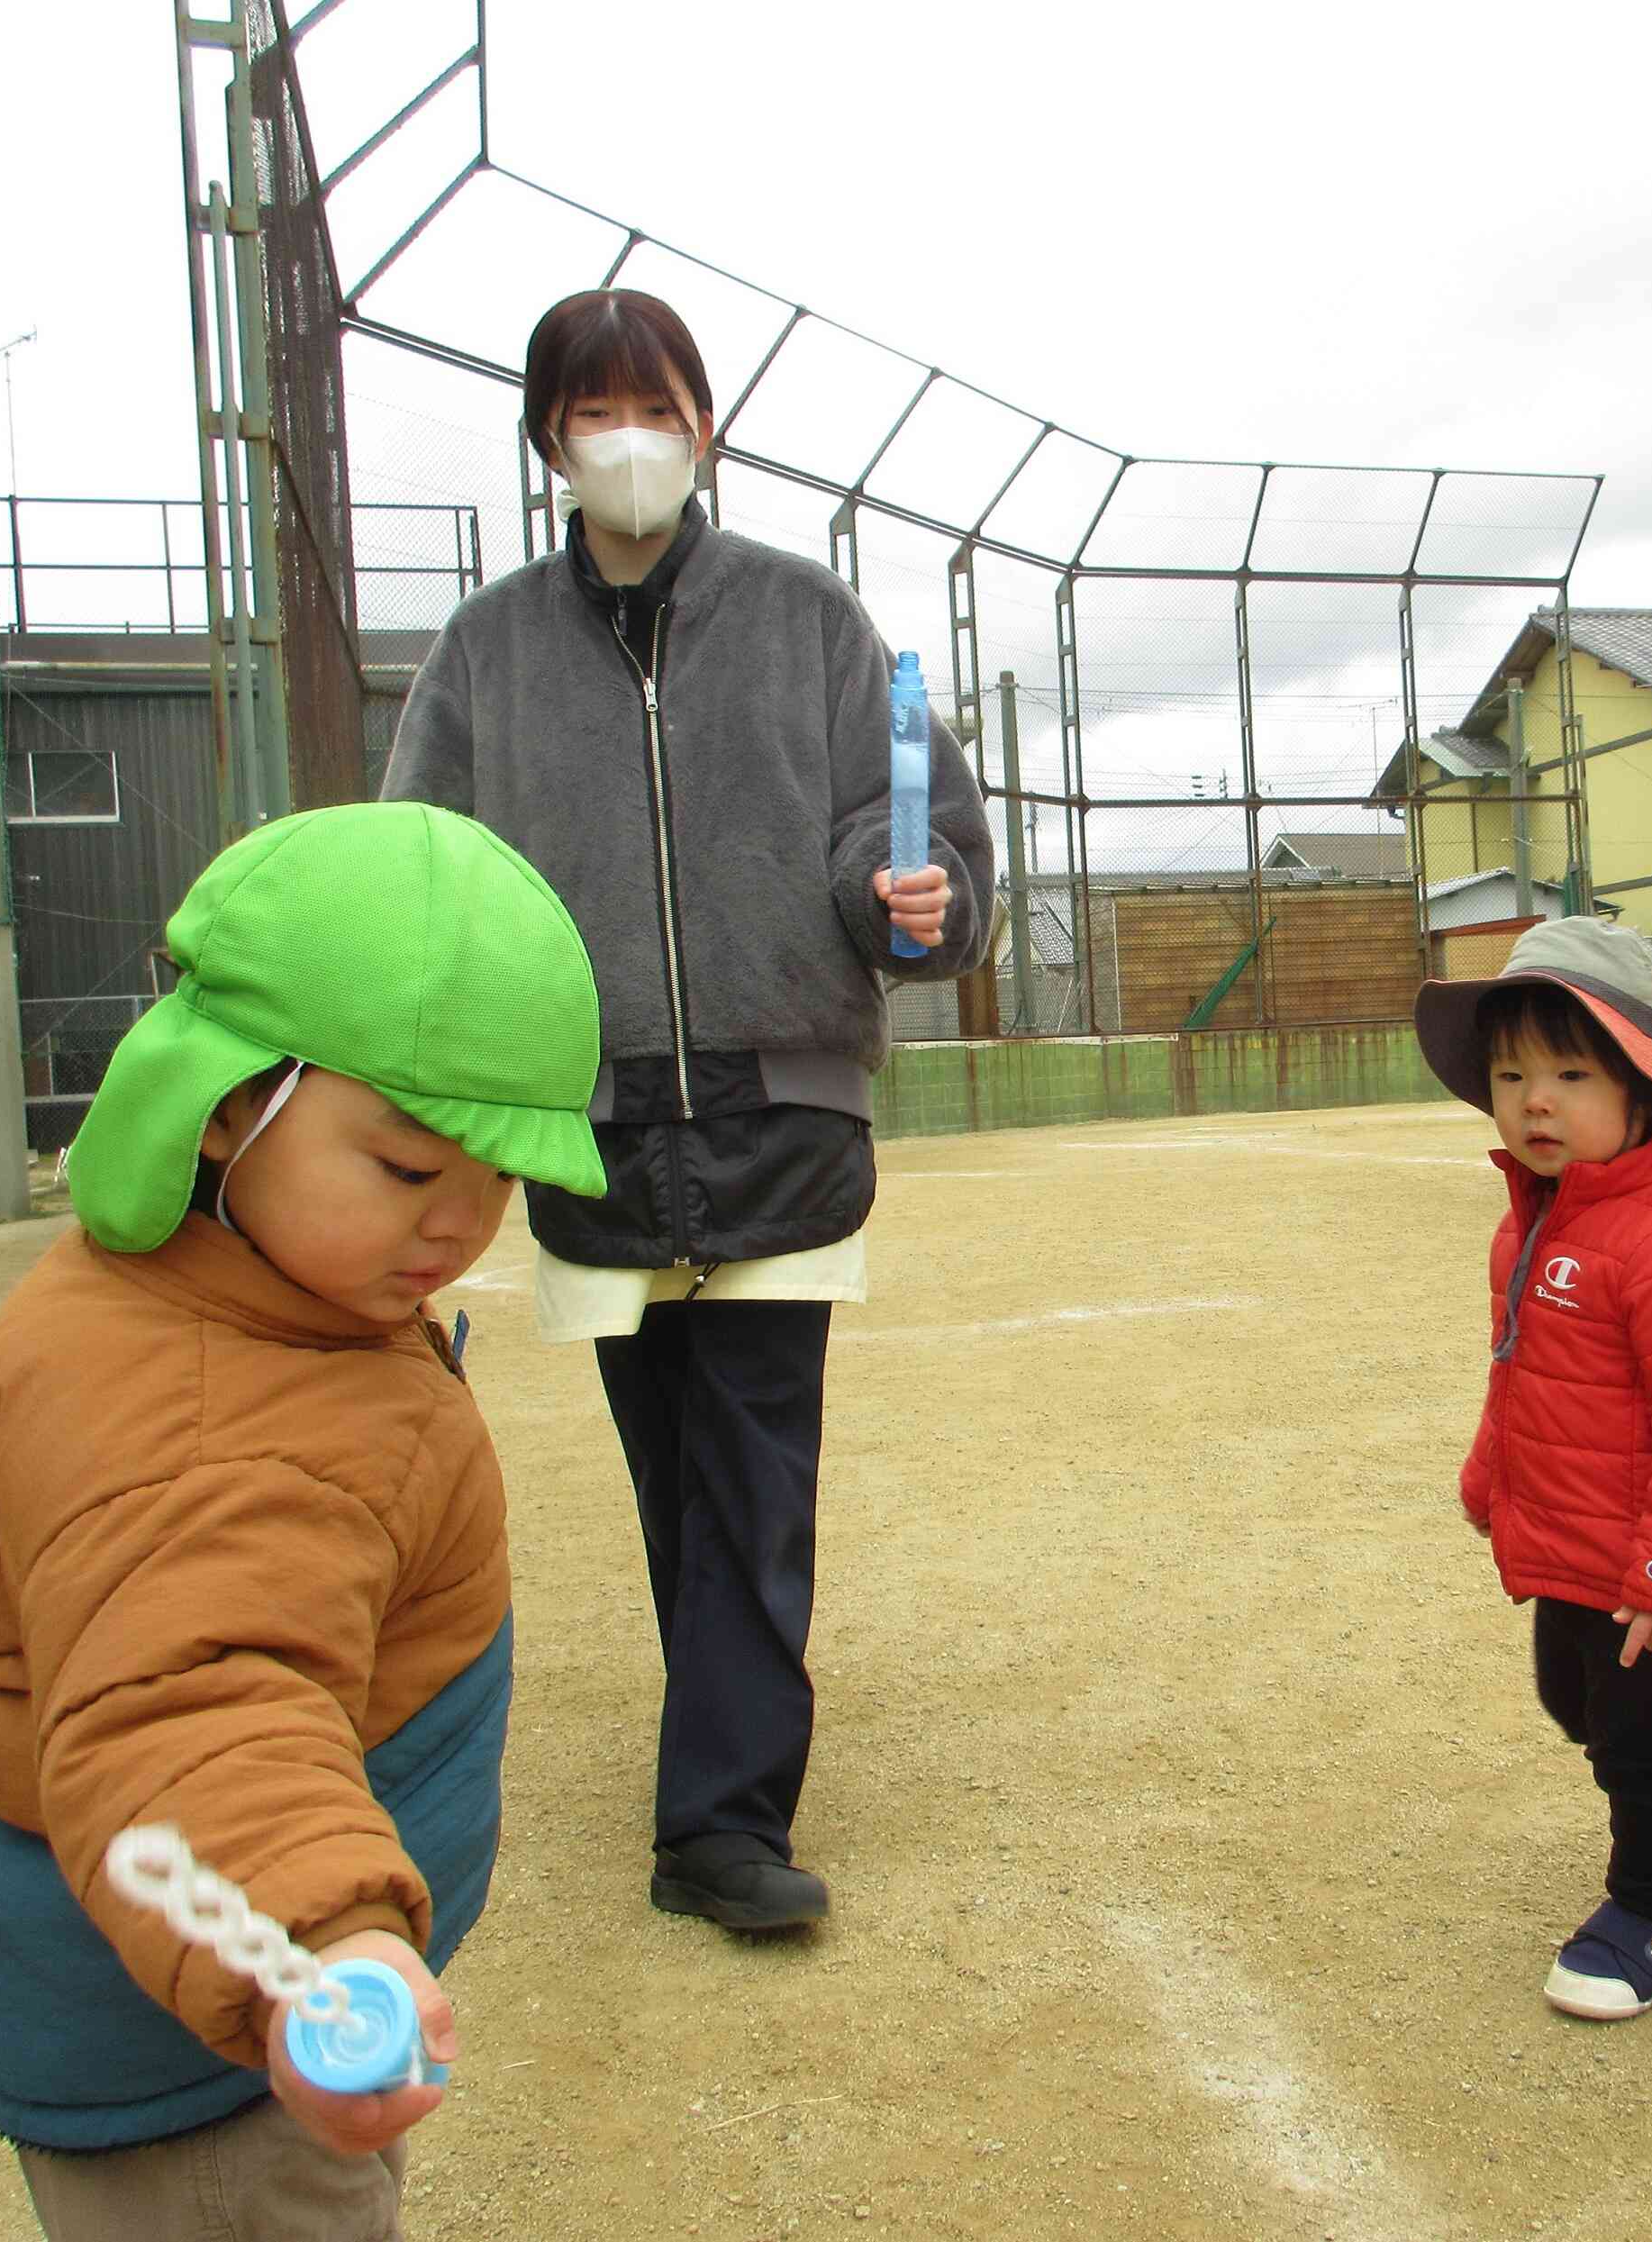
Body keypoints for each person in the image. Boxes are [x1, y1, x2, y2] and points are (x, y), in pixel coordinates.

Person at [381, 286, 994, 1935]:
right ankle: (725, 1747)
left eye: (656, 407)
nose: (630, 440)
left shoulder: (811, 620)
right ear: (549, 441)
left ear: (705, 425)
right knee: (675, 1479)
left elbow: (914, 839)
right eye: (594, 413)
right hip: (587, 1128)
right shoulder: (483, 654)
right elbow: (427, 870)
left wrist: (913, 899)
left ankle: (718, 1824)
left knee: (753, 1471)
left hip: (781, 1109)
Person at [0, 803, 607, 2239]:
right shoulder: (195, 1418)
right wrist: (315, 1941)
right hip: (214, 2059)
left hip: (213, 2016)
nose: (460, 1222)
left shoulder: (253, 1289)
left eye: (501, 1174)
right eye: (409, 1167)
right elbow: (191, 1706)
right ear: (229, 1103)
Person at [1414, 917, 1652, 2022]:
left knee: (1631, 1739)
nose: (1536, 1100)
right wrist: (1491, 1475)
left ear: (1644, 1088)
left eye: (1573, 1074)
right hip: (1571, 1536)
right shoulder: (1532, 1223)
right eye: (1512, 1075)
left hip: (1651, 1560)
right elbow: (1520, 1375)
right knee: (1571, 1698)